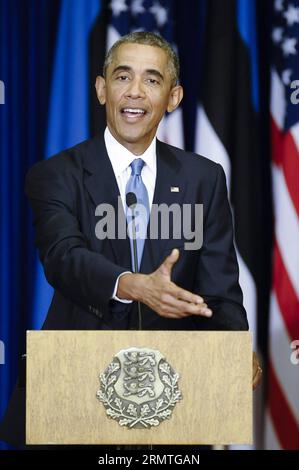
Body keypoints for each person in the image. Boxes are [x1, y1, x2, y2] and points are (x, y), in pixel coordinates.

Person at [0, 32, 261, 448]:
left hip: (177, 396)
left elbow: (219, 288)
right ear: (102, 90)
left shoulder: (203, 178)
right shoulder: (57, 174)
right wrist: (131, 284)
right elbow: (63, 257)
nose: (135, 91)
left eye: (152, 80)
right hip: (76, 394)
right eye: (123, 77)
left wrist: (232, 347)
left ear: (173, 98)